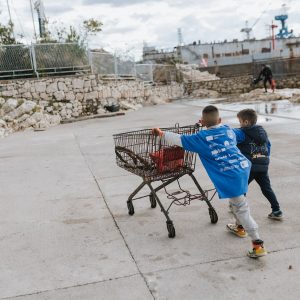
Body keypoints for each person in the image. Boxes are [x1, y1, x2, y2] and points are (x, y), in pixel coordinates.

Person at [152, 105, 267, 258]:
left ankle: (257, 244)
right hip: (243, 167)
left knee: (241, 207)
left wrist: (161, 133)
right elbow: (240, 134)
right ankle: (239, 227)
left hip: (230, 175)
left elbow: (179, 139)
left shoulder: (200, 139)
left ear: (204, 122)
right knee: (237, 201)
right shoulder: (227, 130)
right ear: (220, 120)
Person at [232, 109, 283, 220]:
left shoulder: (242, 133)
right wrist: (264, 158)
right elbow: (268, 146)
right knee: (266, 188)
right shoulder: (262, 132)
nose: (239, 123)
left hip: (249, 166)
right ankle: (276, 210)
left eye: (240, 121)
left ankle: (238, 209)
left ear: (245, 122)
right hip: (263, 165)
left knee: (241, 188)